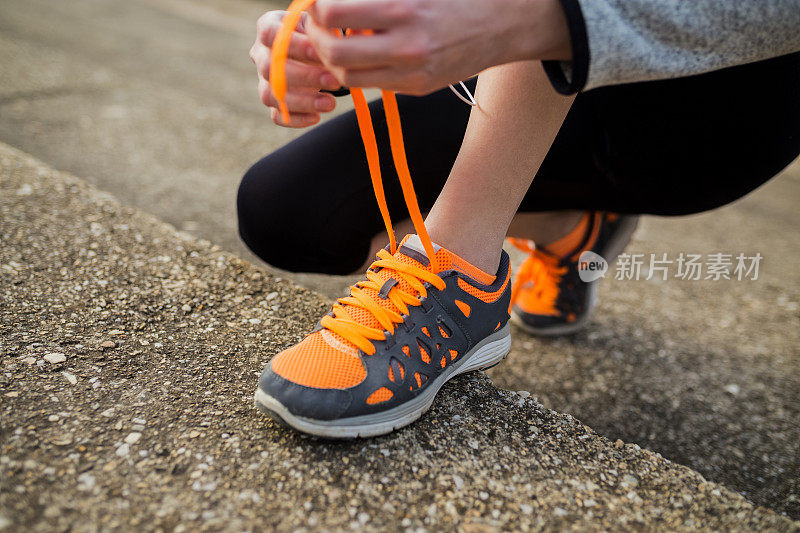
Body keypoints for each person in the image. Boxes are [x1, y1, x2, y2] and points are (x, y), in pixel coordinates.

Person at [239, 0, 800, 437]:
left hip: (708, 91)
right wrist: (351, 35)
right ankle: (575, 232)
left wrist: (538, 15)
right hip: (524, 71)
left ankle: (461, 265)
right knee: (286, 210)